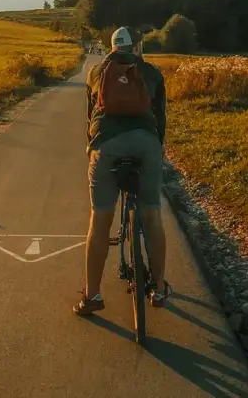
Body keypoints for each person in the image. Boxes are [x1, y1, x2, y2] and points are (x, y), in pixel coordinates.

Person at [75, 26, 170, 316]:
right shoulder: (152, 73)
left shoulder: (95, 72)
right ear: (136, 47)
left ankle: (92, 296)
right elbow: (160, 116)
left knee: (100, 219)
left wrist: (91, 146)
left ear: (112, 46)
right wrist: (158, 147)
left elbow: (91, 115)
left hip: (107, 145)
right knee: (152, 214)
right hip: (146, 145)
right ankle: (157, 287)